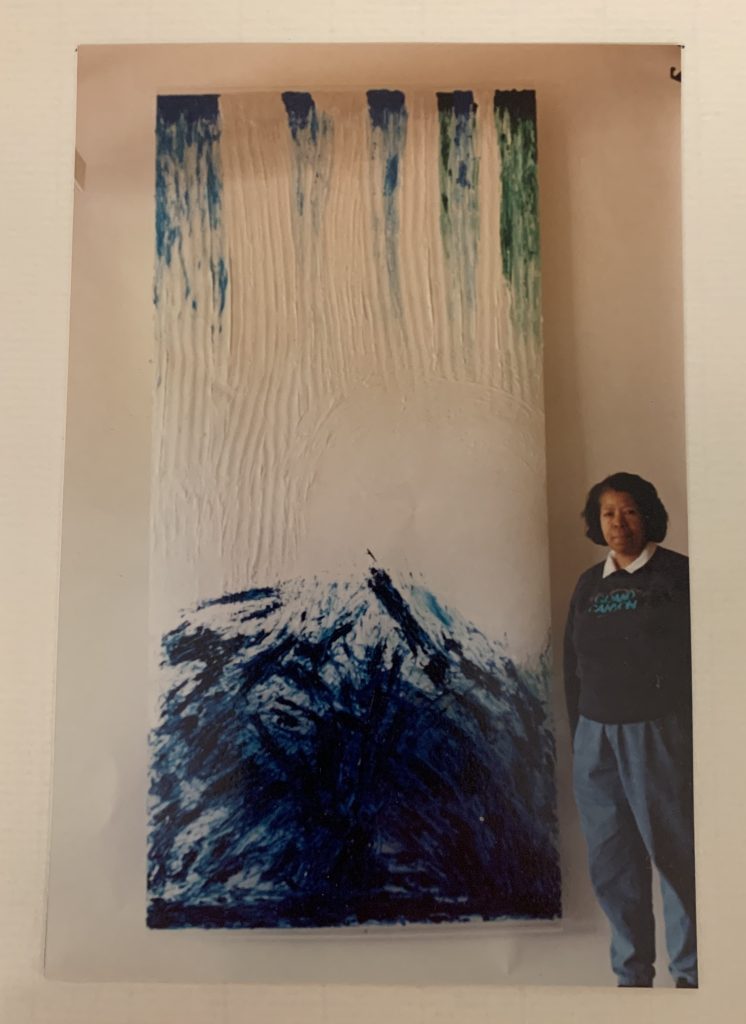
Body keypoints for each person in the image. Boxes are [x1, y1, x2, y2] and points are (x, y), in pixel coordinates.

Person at [564, 471, 697, 988]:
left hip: (656, 735)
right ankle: (632, 977)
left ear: (649, 516)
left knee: (675, 857)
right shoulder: (588, 584)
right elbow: (574, 667)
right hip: (595, 739)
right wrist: (581, 735)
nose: (618, 523)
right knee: (612, 862)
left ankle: (690, 978)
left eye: (629, 511)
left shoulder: (678, 575)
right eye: (607, 513)